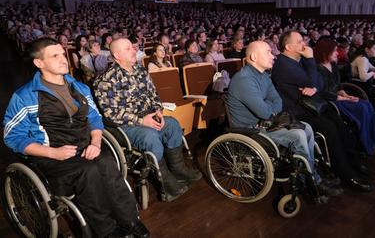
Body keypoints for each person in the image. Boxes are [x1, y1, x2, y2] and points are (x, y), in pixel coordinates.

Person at [3, 38, 150, 238]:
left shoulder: (79, 88)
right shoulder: (25, 97)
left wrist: (96, 143)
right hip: (52, 155)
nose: (63, 59)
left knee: (108, 163)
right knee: (87, 172)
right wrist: (53, 152)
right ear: (39, 63)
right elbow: (12, 136)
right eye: (55, 56)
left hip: (85, 145)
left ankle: (130, 220)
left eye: (63, 54)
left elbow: (95, 119)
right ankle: (106, 230)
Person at [227, 41, 342, 197]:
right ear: (254, 57)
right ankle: (311, 180)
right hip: (250, 130)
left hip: (266, 124)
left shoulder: (263, 75)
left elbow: (277, 100)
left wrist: (269, 106)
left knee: (306, 127)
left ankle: (311, 174)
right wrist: (269, 106)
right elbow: (265, 112)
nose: (273, 56)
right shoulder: (244, 80)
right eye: (268, 52)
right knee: (298, 134)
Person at [93, 38, 202, 202]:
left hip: (149, 115)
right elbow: (112, 113)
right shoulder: (106, 79)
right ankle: (165, 184)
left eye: (133, 47)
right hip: (125, 125)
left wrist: (158, 110)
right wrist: (141, 121)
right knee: (150, 137)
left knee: (172, 124)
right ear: (116, 55)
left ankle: (178, 169)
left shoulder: (140, 70)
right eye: (128, 48)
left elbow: (154, 95)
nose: (134, 50)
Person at [271, 30, 374, 192]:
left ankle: (354, 163)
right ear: (288, 46)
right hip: (297, 112)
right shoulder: (283, 64)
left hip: (311, 106)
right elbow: (312, 81)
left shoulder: (298, 60)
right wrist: (311, 61)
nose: (304, 44)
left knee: (338, 122)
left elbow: (318, 84)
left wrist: (312, 84)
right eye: (299, 42)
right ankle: (346, 174)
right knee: (330, 129)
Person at [314, 38, 375, 156]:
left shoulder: (333, 64)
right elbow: (322, 92)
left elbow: (338, 84)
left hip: (339, 98)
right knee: (362, 109)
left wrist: (346, 94)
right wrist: (344, 98)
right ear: (325, 52)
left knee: (367, 105)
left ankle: (374, 142)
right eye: (334, 51)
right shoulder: (317, 69)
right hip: (330, 102)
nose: (337, 53)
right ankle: (366, 146)